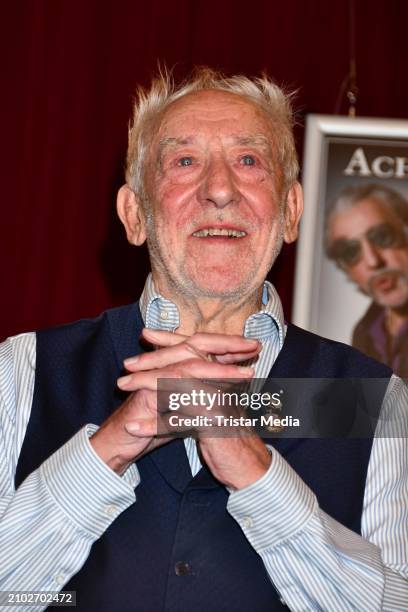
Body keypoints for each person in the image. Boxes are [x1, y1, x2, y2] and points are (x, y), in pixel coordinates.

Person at [0, 68, 407, 612]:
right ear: (134, 215)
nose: (220, 190)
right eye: (184, 162)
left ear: (289, 212)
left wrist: (255, 472)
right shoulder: (25, 371)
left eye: (249, 161)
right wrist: (113, 445)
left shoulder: (376, 403)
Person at [326, 183, 408, 377]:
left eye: (382, 236)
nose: (373, 261)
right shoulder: (364, 332)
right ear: (346, 270)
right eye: (351, 251)